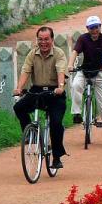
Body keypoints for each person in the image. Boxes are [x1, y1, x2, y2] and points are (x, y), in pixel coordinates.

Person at [13, 26, 68, 169]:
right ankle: (33, 136)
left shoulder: (59, 53)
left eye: (46, 39)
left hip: (54, 93)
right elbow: (26, 70)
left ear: (52, 40)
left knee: (56, 123)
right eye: (40, 39)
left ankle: (56, 157)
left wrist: (60, 87)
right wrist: (19, 88)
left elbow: (61, 70)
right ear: (37, 40)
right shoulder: (32, 54)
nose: (43, 43)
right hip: (36, 90)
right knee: (18, 107)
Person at [68, 16, 102, 146]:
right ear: (87, 29)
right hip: (84, 71)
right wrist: (70, 64)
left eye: (96, 27)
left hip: (100, 72)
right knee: (75, 85)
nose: (94, 30)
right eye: (91, 28)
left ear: (100, 27)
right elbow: (75, 52)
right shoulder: (83, 38)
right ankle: (77, 113)